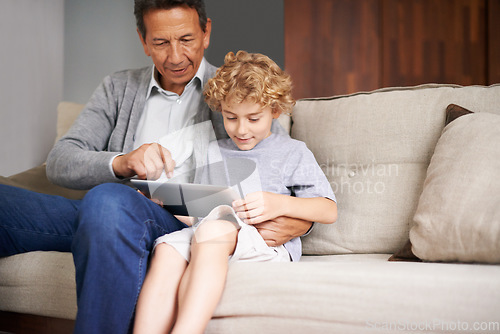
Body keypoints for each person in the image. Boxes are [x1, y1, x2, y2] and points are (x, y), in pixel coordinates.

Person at [0, 1, 313, 333]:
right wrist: (122, 162)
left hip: (182, 220)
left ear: (207, 33)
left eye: (187, 39)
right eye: (161, 42)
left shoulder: (234, 92)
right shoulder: (118, 88)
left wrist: (299, 221)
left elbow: (279, 166)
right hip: (107, 217)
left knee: (108, 200)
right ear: (143, 40)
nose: (175, 56)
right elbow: (61, 161)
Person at [132, 51, 338, 334]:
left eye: (254, 119)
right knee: (168, 249)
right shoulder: (213, 150)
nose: (241, 129)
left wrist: (279, 203)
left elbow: (328, 209)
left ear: (275, 111)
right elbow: (200, 218)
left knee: (212, 232)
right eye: (231, 118)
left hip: (264, 244)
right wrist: (166, 201)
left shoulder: (292, 151)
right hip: (212, 235)